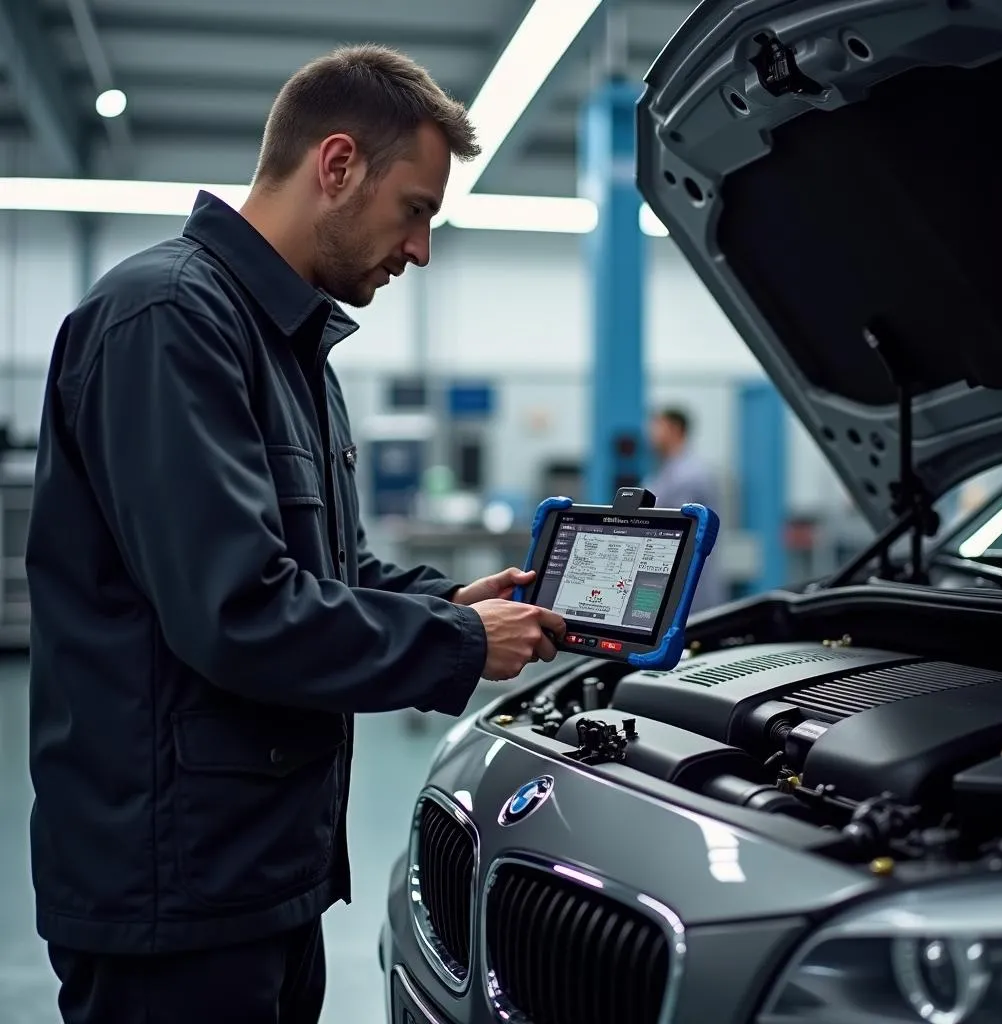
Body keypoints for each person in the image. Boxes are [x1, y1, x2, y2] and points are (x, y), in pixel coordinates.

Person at [25, 45, 565, 1024]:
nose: (420, 250)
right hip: (172, 888)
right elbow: (238, 609)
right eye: (416, 210)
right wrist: (455, 646)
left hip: (256, 866)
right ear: (337, 164)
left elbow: (327, 569)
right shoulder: (169, 319)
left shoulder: (289, 349)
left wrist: (446, 604)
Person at [645, 407, 726, 612]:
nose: (650, 434)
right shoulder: (668, 471)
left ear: (674, 429)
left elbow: (678, 530)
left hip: (688, 581)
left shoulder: (690, 475)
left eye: (657, 427)